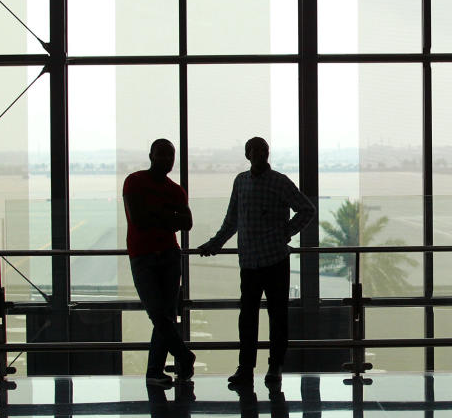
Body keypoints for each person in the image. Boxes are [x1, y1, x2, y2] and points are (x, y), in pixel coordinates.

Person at [198, 137, 315, 386]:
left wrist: (286, 232)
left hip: (274, 260)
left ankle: (275, 367)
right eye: (255, 150)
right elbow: (232, 219)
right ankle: (246, 368)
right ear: (247, 154)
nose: (260, 154)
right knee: (248, 318)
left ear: (268, 154)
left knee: (277, 316)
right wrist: (215, 243)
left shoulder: (279, 182)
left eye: (264, 150)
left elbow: (307, 209)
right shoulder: (240, 182)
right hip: (250, 262)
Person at [124, 138, 196, 387]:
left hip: (166, 255)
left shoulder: (174, 190)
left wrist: (156, 213)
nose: (167, 159)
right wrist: (169, 214)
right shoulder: (135, 181)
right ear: (151, 155)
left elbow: (186, 223)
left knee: (162, 315)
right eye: (162, 154)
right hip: (145, 256)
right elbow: (139, 219)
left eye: (170, 155)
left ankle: (155, 371)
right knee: (158, 313)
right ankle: (183, 355)